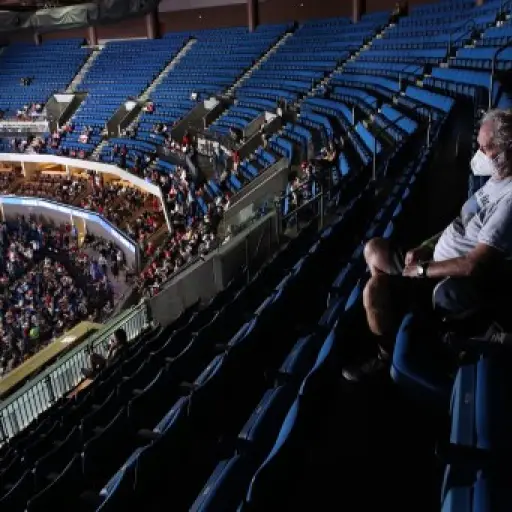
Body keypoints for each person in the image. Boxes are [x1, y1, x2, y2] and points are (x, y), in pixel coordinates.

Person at [343, 108, 512, 382]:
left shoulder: (509, 200)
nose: (480, 154)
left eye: (486, 148)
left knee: (374, 290)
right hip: (432, 256)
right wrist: (426, 245)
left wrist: (422, 270)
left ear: (508, 150)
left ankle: (385, 352)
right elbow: (461, 221)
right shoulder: (496, 179)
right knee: (373, 249)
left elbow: (473, 264)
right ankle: (397, 313)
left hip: (445, 275)